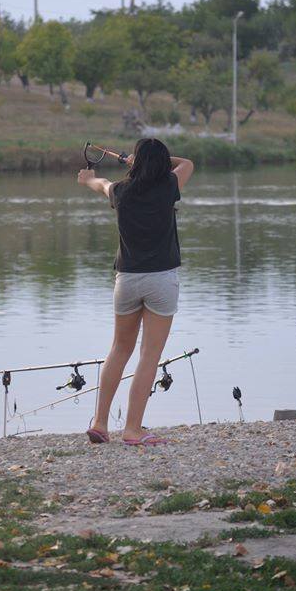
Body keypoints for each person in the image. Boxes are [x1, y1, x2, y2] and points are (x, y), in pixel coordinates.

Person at [77, 138, 194, 446]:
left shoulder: (121, 192)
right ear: (162, 163)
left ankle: (100, 423)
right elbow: (188, 164)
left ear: (137, 163)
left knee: (119, 349)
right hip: (161, 281)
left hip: (126, 280)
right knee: (149, 355)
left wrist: (88, 179)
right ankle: (132, 429)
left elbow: (100, 184)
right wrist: (151, 162)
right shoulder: (169, 185)